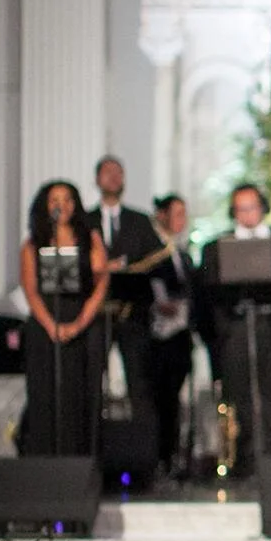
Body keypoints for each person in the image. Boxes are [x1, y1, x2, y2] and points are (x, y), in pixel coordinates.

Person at [19, 181, 109, 456]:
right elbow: (31, 290)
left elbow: (101, 281)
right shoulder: (33, 243)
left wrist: (80, 323)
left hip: (81, 320)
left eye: (68, 199)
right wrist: (51, 325)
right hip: (46, 323)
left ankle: (77, 461)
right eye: (55, 199)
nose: (62, 205)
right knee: (45, 395)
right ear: (45, 205)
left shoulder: (89, 238)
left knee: (77, 394)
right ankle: (42, 461)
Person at [198, 183, 271, 475]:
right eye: (241, 209)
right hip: (233, 332)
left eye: (253, 207)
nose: (247, 214)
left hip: (270, 331)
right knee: (236, 397)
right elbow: (205, 297)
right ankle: (239, 460)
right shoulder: (215, 248)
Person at [85, 154, 158, 436]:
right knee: (91, 382)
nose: (114, 178)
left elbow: (154, 262)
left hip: (132, 314)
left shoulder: (139, 221)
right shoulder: (85, 220)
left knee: (139, 384)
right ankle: (89, 447)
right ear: (97, 179)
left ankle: (142, 453)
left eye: (119, 172)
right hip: (95, 315)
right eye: (107, 172)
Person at [147, 194, 197, 478]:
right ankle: (158, 458)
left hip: (180, 339)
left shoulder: (183, 254)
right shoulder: (154, 252)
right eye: (177, 213)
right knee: (159, 400)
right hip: (158, 339)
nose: (182, 220)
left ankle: (174, 456)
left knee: (174, 402)